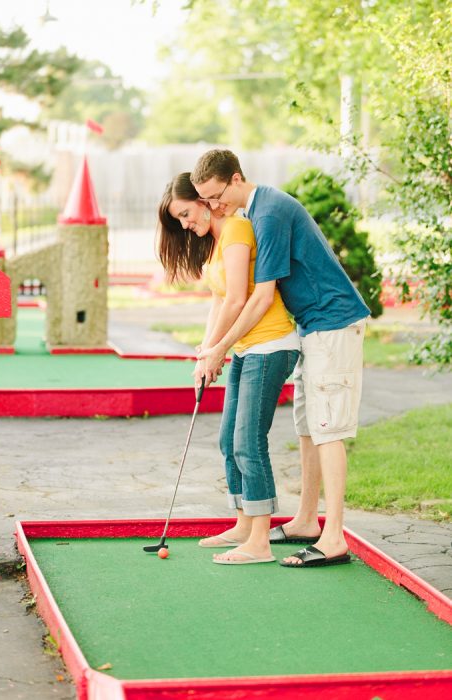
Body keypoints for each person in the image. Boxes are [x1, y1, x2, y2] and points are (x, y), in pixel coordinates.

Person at [191, 150, 370, 569]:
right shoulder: (257, 209)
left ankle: (333, 537)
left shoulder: (267, 213)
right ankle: (307, 521)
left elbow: (260, 298)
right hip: (313, 325)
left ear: (235, 179)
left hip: (334, 321)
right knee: (309, 427)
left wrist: (219, 348)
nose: (214, 207)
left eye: (216, 196)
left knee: (328, 429)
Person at [157, 173, 299, 565]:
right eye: (180, 220)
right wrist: (206, 352)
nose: (186, 224)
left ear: (204, 200)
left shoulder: (236, 228)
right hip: (245, 349)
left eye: (187, 213)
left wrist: (218, 349)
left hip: (270, 345)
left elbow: (239, 298)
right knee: (227, 441)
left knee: (248, 442)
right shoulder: (218, 243)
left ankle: (259, 540)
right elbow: (218, 303)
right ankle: (242, 522)